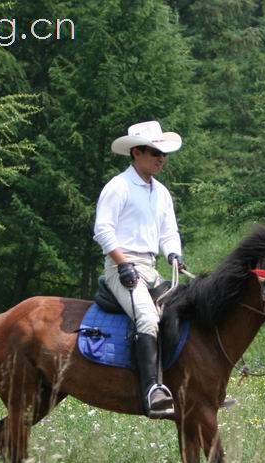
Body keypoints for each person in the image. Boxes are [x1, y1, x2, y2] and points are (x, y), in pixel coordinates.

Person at [93, 120, 187, 419]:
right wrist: (122, 264)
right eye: (154, 152)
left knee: (183, 312)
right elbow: (103, 230)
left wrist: (174, 253)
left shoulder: (161, 193)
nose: (161, 158)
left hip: (151, 266)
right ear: (136, 153)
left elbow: (169, 233)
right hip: (120, 266)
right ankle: (151, 391)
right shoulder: (118, 186)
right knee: (147, 317)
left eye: (164, 154)